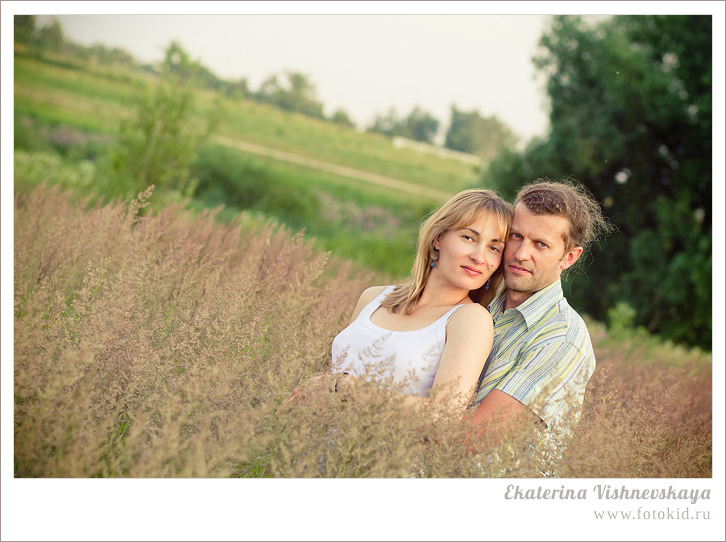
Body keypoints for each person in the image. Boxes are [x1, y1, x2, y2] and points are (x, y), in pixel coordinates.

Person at [323, 188, 514, 413]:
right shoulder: (374, 298)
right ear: (438, 238)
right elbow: (328, 379)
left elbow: (443, 414)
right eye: (469, 237)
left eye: (494, 248)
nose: (479, 257)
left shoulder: (471, 320)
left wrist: (344, 388)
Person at [465, 179, 612, 452]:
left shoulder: (563, 340)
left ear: (569, 257)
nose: (521, 254)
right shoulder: (479, 299)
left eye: (541, 245)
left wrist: (379, 402)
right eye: (516, 236)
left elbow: (476, 437)